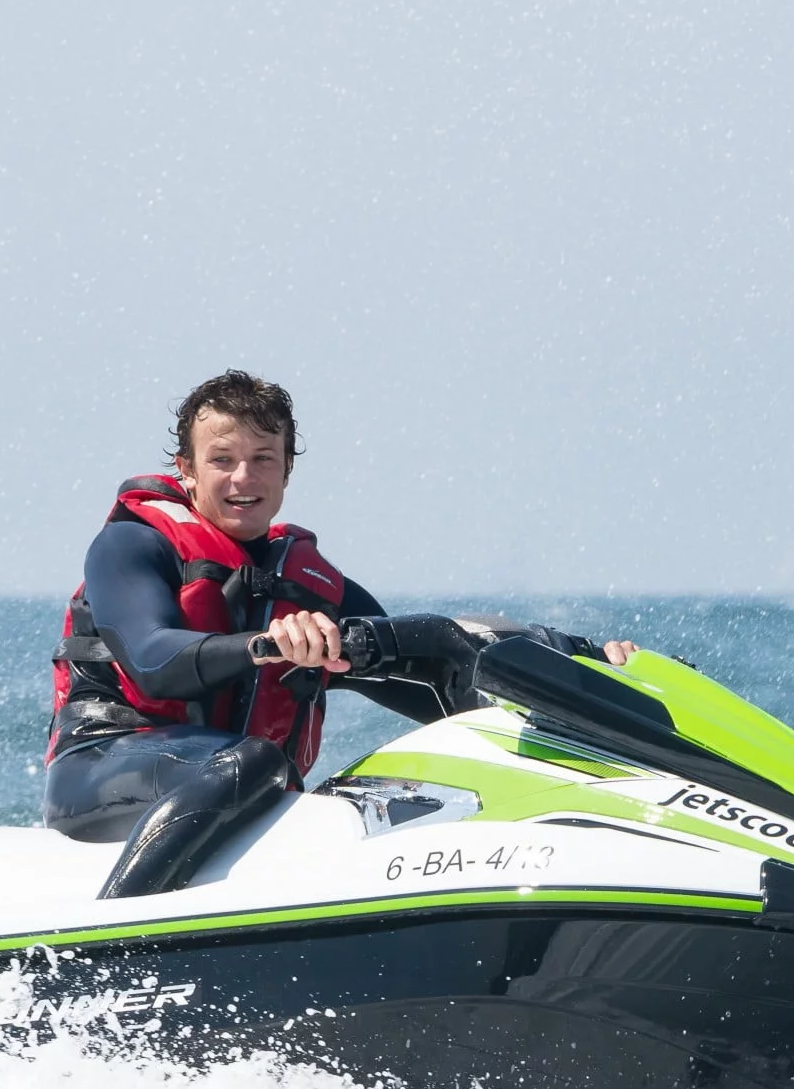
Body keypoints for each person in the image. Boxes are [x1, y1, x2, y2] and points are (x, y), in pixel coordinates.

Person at [45, 369, 636, 899]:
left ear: (287, 469)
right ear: (188, 470)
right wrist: (268, 645)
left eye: (263, 458)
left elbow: (435, 665)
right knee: (251, 761)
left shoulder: (308, 586)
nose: (243, 477)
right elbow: (152, 658)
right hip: (103, 767)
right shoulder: (131, 545)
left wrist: (584, 663)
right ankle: (103, 948)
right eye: (222, 459)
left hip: (238, 782)